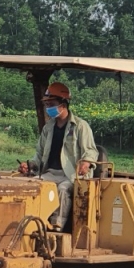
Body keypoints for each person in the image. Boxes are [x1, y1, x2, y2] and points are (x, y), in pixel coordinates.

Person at [18, 82, 99, 230]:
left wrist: (86, 162)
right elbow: (39, 154)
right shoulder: (48, 127)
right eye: (47, 104)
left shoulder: (80, 126)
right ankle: (32, 223)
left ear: (63, 104)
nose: (49, 108)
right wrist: (29, 164)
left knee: (62, 188)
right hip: (50, 173)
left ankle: (57, 224)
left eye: (52, 104)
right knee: (32, 185)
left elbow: (91, 151)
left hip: (71, 174)